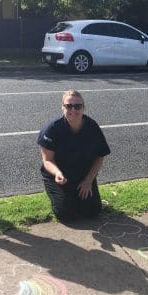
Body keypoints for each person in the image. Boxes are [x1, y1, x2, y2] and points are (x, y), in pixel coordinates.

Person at [37, 90, 111, 222]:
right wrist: (57, 173)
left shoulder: (92, 127)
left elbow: (100, 156)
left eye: (77, 106)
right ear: (62, 108)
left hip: (82, 175)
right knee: (66, 215)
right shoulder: (52, 129)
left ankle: (77, 196)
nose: (73, 109)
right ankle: (61, 196)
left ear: (83, 108)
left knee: (92, 212)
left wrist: (88, 181)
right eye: (68, 106)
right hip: (59, 176)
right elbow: (47, 160)